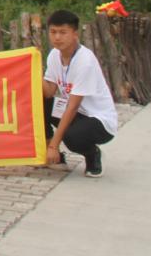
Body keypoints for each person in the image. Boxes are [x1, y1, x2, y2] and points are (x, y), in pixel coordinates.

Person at [42, 9, 117, 177]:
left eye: (63, 32)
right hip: (76, 114)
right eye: (53, 32)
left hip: (98, 120)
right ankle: (54, 157)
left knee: (72, 137)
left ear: (75, 34)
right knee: (38, 104)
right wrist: (32, 69)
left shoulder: (85, 61)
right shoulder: (54, 55)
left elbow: (73, 106)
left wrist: (55, 144)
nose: (57, 37)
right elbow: (49, 92)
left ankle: (92, 154)